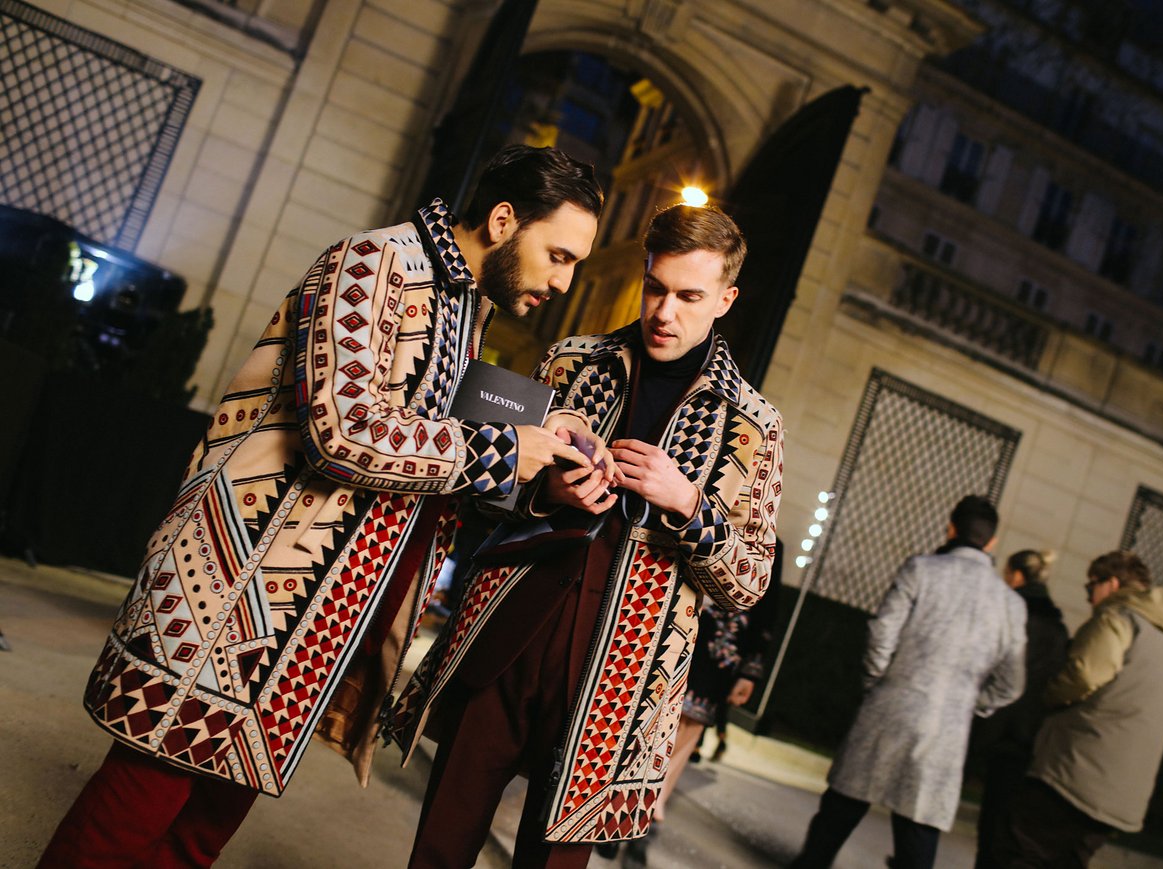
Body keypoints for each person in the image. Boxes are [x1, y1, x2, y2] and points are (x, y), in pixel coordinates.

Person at [38, 145, 606, 868]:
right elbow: (343, 433)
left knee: (200, 832)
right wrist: (498, 449)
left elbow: (432, 456)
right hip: (235, 593)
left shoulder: (465, 308)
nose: (563, 280)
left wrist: (541, 462)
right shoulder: (374, 265)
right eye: (559, 255)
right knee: (131, 811)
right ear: (502, 220)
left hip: (314, 623)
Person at [384, 203, 784, 868]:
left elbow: (749, 580)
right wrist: (545, 488)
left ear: (725, 298)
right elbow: (482, 488)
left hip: (623, 678)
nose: (664, 312)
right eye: (656, 287)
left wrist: (687, 501)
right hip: (508, 633)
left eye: (689, 296)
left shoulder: (754, 423)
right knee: (438, 848)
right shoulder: (571, 362)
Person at [790, 496, 1027, 869]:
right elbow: (1011, 683)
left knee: (843, 805)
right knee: (919, 826)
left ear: (951, 527)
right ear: (992, 542)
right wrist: (970, 703)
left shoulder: (922, 569)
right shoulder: (1011, 604)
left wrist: (879, 680)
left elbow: (883, 630)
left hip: (891, 703)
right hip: (947, 727)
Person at [997, 551, 1163, 868]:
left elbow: (1085, 675)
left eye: (1091, 588)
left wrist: (1048, 695)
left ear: (1111, 583)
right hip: (1122, 792)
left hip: (1075, 772)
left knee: (1021, 849)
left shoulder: (1116, 618)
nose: (1089, 598)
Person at [602, 540, 783, 866]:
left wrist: (750, 672)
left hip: (721, 648)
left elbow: (767, 610)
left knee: (686, 732)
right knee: (645, 720)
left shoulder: (771, 541)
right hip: (671, 624)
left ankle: (647, 818)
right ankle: (620, 807)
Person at [969, 550, 1069, 869]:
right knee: (1001, 818)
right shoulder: (1058, 629)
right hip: (1027, 735)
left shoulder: (1011, 614)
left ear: (1016, 576)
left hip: (992, 723)